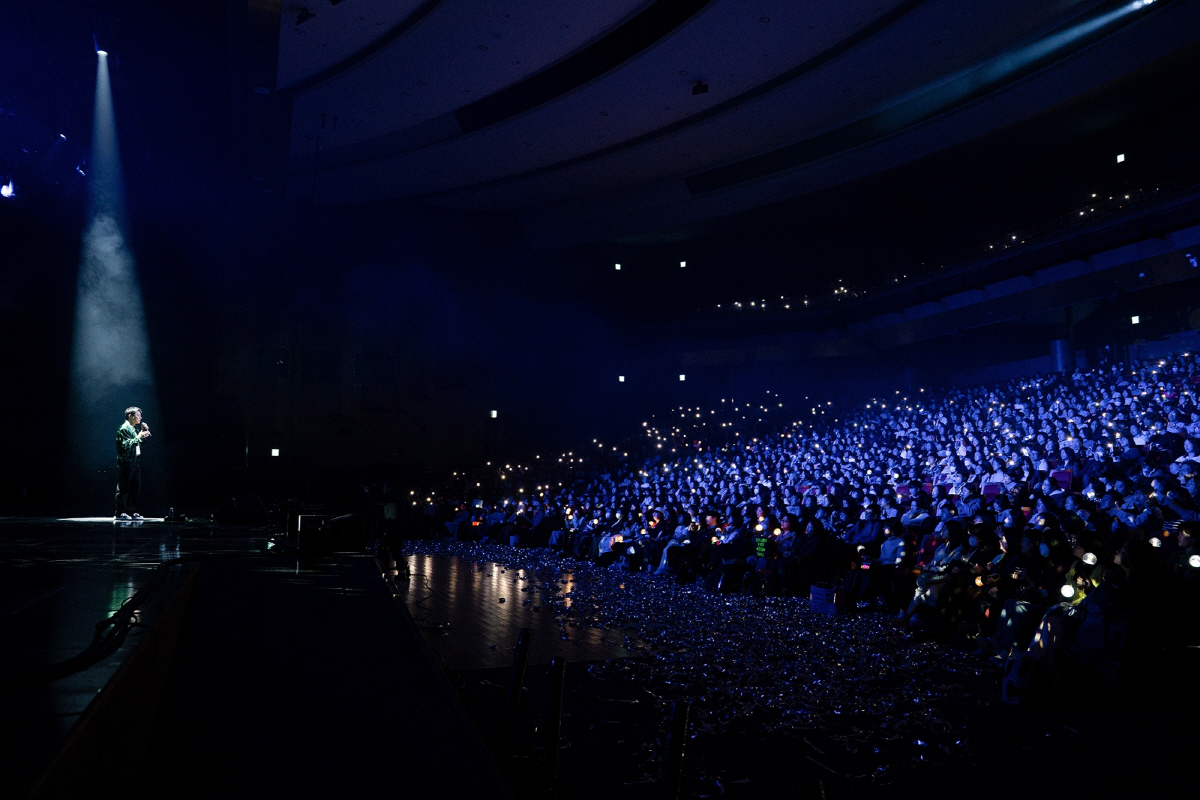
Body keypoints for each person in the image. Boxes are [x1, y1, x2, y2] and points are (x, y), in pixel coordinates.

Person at [115, 405, 151, 521]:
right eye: (138, 415)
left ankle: (130, 511)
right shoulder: (124, 428)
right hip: (127, 462)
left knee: (135, 487)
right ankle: (120, 512)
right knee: (124, 487)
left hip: (135, 462)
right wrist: (139, 436)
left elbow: (140, 444)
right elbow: (125, 445)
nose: (140, 417)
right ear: (130, 416)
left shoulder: (133, 429)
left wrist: (143, 434)